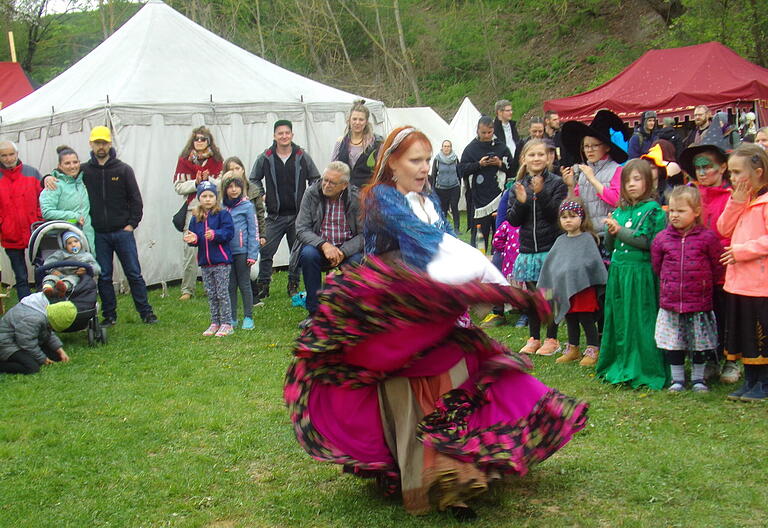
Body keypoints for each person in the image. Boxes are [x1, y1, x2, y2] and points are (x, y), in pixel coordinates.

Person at [284, 126, 588, 518]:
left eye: (427, 160)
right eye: (415, 160)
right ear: (391, 162)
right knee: (409, 391)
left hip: (434, 302)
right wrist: (501, 291)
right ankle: (423, 478)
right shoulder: (379, 197)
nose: (425, 168)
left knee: (459, 373)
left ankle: (457, 475)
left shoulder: (427, 198)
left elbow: (447, 241)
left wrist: (493, 285)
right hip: (397, 307)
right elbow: (425, 242)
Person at [596, 160, 668, 390]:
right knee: (620, 318)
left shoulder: (653, 211)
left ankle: (644, 367)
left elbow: (648, 242)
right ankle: (619, 361)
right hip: (619, 272)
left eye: (637, 179)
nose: (632, 185)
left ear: (648, 182)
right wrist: (610, 230)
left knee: (640, 319)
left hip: (640, 274)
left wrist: (620, 230)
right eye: (627, 181)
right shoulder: (619, 211)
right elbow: (610, 244)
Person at [678, 128, 739, 383]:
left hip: (726, 269)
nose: (702, 172)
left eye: (708, 167)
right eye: (698, 168)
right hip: (697, 270)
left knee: (728, 315)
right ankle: (710, 358)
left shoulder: (733, 197)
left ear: (723, 167)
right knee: (705, 318)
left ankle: (732, 360)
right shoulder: (691, 194)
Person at [81, 125, 157, 326]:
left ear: (110, 143)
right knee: (104, 276)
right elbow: (63, 176)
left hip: (122, 231)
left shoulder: (123, 169)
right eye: (97, 143)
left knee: (133, 273)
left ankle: (146, 313)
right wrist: (48, 178)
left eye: (104, 142)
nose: (101, 147)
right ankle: (109, 315)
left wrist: (132, 224)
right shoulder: (84, 171)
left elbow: (136, 200)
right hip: (98, 233)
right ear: (91, 144)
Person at [651, 186, 723, 392]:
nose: (674, 215)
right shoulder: (662, 239)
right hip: (671, 302)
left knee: (698, 343)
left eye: (681, 211)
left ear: (696, 211)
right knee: (674, 343)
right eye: (672, 210)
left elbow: (716, 265)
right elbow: (657, 266)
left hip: (698, 301)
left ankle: (698, 378)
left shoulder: (707, 238)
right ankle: (678, 379)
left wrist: (704, 285)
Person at [507, 139, 568, 356]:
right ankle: (533, 338)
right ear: (524, 158)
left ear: (548, 157)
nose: (536, 159)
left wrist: (540, 193)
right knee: (534, 297)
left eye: (540, 155)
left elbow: (556, 216)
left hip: (550, 247)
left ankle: (552, 338)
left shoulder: (557, 184)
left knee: (549, 295)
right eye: (531, 155)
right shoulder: (518, 185)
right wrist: (522, 201)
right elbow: (513, 220)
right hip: (528, 250)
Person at [717, 144, 768, 401]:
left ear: (758, 172)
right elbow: (723, 228)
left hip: (761, 284)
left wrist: (742, 251)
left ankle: (764, 382)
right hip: (738, 283)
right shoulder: (740, 200)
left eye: (738, 173)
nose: (733, 178)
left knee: (761, 334)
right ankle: (750, 380)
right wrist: (735, 203)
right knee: (745, 333)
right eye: (731, 173)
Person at [249, 120, 320, 301]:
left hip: (298, 216)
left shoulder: (301, 155)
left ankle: (293, 285)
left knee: (296, 254)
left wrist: (308, 199)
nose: (284, 136)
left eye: (287, 133)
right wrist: (262, 195)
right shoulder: (265, 157)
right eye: (280, 133)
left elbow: (315, 179)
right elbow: (253, 179)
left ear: (292, 135)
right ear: (274, 136)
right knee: (266, 251)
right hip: (274, 215)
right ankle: (263, 285)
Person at [292, 161, 363, 329]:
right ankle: (314, 313)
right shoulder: (311, 193)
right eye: (324, 180)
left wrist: (343, 251)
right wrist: (324, 245)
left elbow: (365, 234)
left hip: (347, 249)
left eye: (332, 182)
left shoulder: (357, 198)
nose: (326, 185)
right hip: (320, 247)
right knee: (308, 255)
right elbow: (301, 228)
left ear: (344, 185)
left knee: (357, 261)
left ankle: (344, 313)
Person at [537, 197, 607, 366]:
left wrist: (577, 273)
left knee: (586, 318)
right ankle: (573, 348)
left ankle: (592, 348)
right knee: (570, 318)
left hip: (583, 290)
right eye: (564, 217)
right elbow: (551, 266)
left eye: (573, 216)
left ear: (581, 218)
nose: (568, 220)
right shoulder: (560, 241)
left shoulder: (588, 239)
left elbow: (593, 264)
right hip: (563, 289)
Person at [173, 127, 224, 301]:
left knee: (213, 244)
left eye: (203, 139)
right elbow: (178, 186)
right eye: (197, 139)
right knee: (189, 248)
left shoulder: (217, 161)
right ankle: (188, 288)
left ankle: (215, 286)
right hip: (193, 208)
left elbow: (222, 183)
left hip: (213, 209)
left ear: (209, 141)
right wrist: (196, 183)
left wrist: (208, 180)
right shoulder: (184, 161)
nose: (200, 141)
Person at [560, 110, 628, 233]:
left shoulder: (616, 170)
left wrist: (593, 180)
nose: (590, 150)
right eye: (586, 146)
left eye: (595, 145)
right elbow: (575, 207)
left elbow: (618, 201)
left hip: (609, 233)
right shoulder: (583, 172)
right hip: (587, 233)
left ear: (607, 147)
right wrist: (570, 186)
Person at [183, 181, 234, 337]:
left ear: (216, 197)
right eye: (204, 196)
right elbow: (196, 237)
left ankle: (227, 323)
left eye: (211, 196)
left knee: (222, 293)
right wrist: (193, 239)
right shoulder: (196, 217)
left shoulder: (222, 214)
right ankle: (215, 322)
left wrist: (215, 234)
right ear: (199, 198)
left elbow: (229, 232)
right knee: (211, 293)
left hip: (221, 261)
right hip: (205, 262)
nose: (207, 199)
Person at [460, 116, 514, 251]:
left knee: (500, 234)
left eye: (489, 132)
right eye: (483, 133)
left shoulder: (502, 147)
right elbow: (461, 169)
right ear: (477, 130)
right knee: (479, 237)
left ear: (493, 130)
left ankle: (499, 261)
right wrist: (479, 164)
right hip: (478, 199)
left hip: (499, 197)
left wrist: (499, 163)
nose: (486, 135)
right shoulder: (470, 149)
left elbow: (513, 169)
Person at [0, 145, 42, 301]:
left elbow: (43, 199)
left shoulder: (32, 173)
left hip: (35, 232)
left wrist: (39, 220)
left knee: (41, 271)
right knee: (20, 276)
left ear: (17, 154)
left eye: (11, 154)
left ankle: (42, 304)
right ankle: (26, 306)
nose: (9, 159)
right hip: (10, 234)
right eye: (4, 155)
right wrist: (3, 224)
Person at [221, 171, 259, 330]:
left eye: (237, 186)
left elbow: (253, 230)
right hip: (226, 253)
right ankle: (232, 318)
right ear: (225, 189)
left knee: (244, 284)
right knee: (230, 286)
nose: (234, 189)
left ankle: (248, 317)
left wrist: (252, 253)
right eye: (230, 187)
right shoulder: (221, 207)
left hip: (243, 252)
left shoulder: (247, 206)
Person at [39, 146, 95, 251]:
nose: (72, 166)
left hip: (88, 236)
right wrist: (74, 217)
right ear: (59, 166)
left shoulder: (82, 181)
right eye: (67, 163)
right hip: (68, 238)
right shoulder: (54, 184)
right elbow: (47, 212)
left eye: (75, 162)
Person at [0, 294, 72, 374]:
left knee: (56, 356)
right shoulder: (33, 319)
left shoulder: (46, 312)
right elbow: (27, 343)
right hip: (5, 344)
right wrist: (43, 359)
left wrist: (60, 351)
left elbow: (48, 333)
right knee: (32, 368)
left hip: (20, 340)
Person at [330, 100, 382, 188]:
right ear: (349, 120)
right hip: (345, 193)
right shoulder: (341, 142)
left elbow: (380, 171)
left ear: (366, 122)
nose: (357, 122)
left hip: (367, 193)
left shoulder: (376, 143)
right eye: (354, 119)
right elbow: (333, 168)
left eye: (361, 119)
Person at [41, 231, 100, 298]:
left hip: (74, 275)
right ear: (65, 246)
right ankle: (47, 289)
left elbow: (97, 268)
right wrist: (52, 271)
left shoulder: (86, 255)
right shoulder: (60, 254)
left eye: (76, 241)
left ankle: (63, 288)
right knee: (50, 278)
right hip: (59, 274)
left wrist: (86, 269)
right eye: (69, 243)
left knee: (71, 280)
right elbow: (47, 263)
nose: (73, 245)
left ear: (81, 242)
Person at [224, 156, 266, 249]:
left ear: (242, 169)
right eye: (231, 169)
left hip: (251, 236)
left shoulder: (253, 189)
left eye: (237, 168)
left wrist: (262, 235)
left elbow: (260, 213)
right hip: (230, 237)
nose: (235, 171)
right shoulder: (221, 191)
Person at [429, 140, 461, 232]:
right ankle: (444, 227)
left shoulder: (455, 159)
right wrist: (433, 188)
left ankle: (456, 228)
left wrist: (459, 185)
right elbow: (434, 174)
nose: (446, 148)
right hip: (441, 188)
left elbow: (459, 173)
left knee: (454, 206)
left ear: (451, 148)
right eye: (445, 146)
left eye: (448, 146)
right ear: (442, 147)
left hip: (454, 187)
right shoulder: (437, 159)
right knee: (444, 209)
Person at [640, 140, 684, 206]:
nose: (648, 171)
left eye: (652, 168)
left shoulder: (667, 193)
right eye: (646, 167)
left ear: (659, 171)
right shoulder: (640, 189)